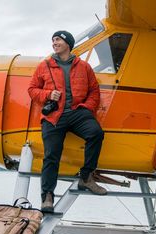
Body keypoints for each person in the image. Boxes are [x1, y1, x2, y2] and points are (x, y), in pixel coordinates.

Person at [28, 30, 107, 212]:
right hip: (54, 116)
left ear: (68, 44)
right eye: (53, 40)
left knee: (96, 134)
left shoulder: (84, 67)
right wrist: (48, 94)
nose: (54, 43)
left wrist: (87, 108)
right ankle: (47, 196)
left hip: (78, 112)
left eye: (58, 40)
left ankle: (86, 178)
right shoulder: (44, 65)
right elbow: (32, 90)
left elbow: (94, 91)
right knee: (51, 155)